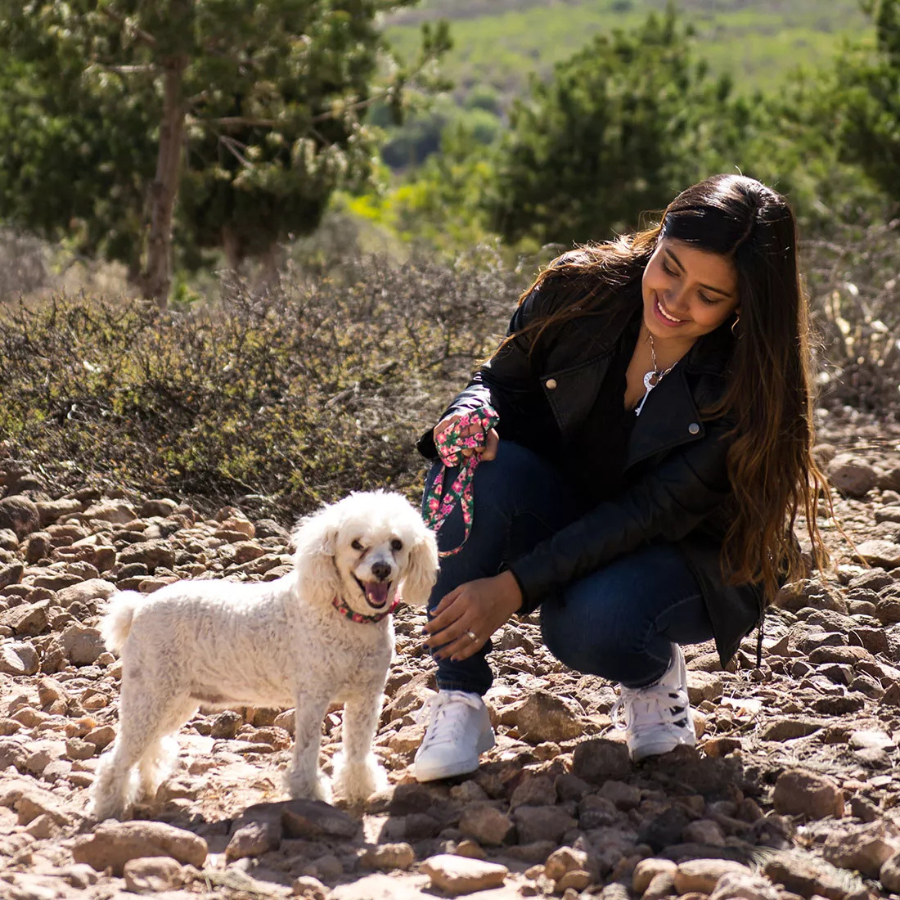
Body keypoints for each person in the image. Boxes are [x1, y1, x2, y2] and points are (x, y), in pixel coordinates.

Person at [412, 173, 830, 782]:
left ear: (743, 304)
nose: (674, 300)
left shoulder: (747, 387)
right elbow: (499, 378)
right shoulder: (578, 290)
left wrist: (513, 588)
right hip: (576, 505)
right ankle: (459, 698)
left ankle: (652, 675)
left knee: (587, 625)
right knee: (470, 459)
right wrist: (470, 413)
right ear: (657, 239)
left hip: (688, 554)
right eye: (669, 267)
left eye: (708, 296)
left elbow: (645, 514)